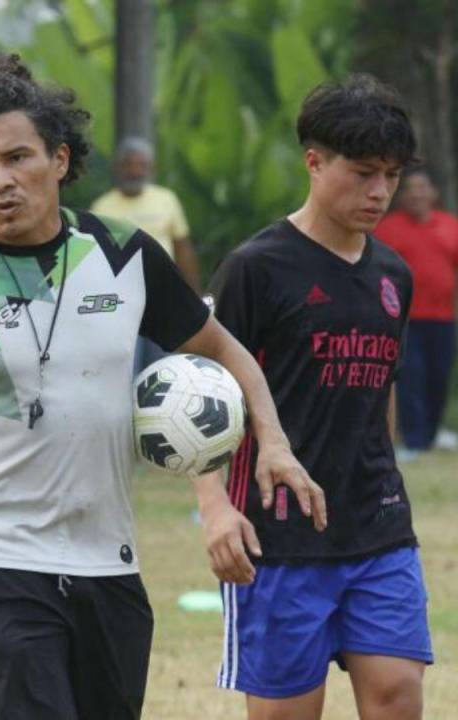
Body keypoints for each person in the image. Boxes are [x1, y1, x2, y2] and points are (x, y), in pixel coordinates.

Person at [0, 54, 325, 720]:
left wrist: (275, 443)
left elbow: (226, 351)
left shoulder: (125, 255)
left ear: (59, 160)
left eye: (16, 158)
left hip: (107, 560)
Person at [198, 74, 432, 719]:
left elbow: (379, 391)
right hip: (279, 538)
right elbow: (200, 401)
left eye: (390, 174)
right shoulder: (256, 267)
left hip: (379, 527)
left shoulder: (393, 275)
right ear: (314, 161)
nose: (380, 191)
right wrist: (215, 509)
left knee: (397, 695)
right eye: (362, 173)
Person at [91, 137, 202, 369]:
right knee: (126, 369)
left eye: (141, 165)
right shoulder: (102, 208)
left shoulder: (166, 200)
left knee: (164, 368)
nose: (135, 171)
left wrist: (193, 297)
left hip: (163, 297)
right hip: (121, 304)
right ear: (118, 168)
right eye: (128, 164)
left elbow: (183, 248)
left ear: (152, 169)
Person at [374, 168, 458, 457]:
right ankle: (415, 441)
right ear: (402, 195)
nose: (417, 194)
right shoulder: (387, 228)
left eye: (423, 188)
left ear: (433, 193)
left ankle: (431, 434)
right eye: (411, 188)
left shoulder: (450, 226)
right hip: (403, 320)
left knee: (438, 378)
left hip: (443, 319)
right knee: (411, 378)